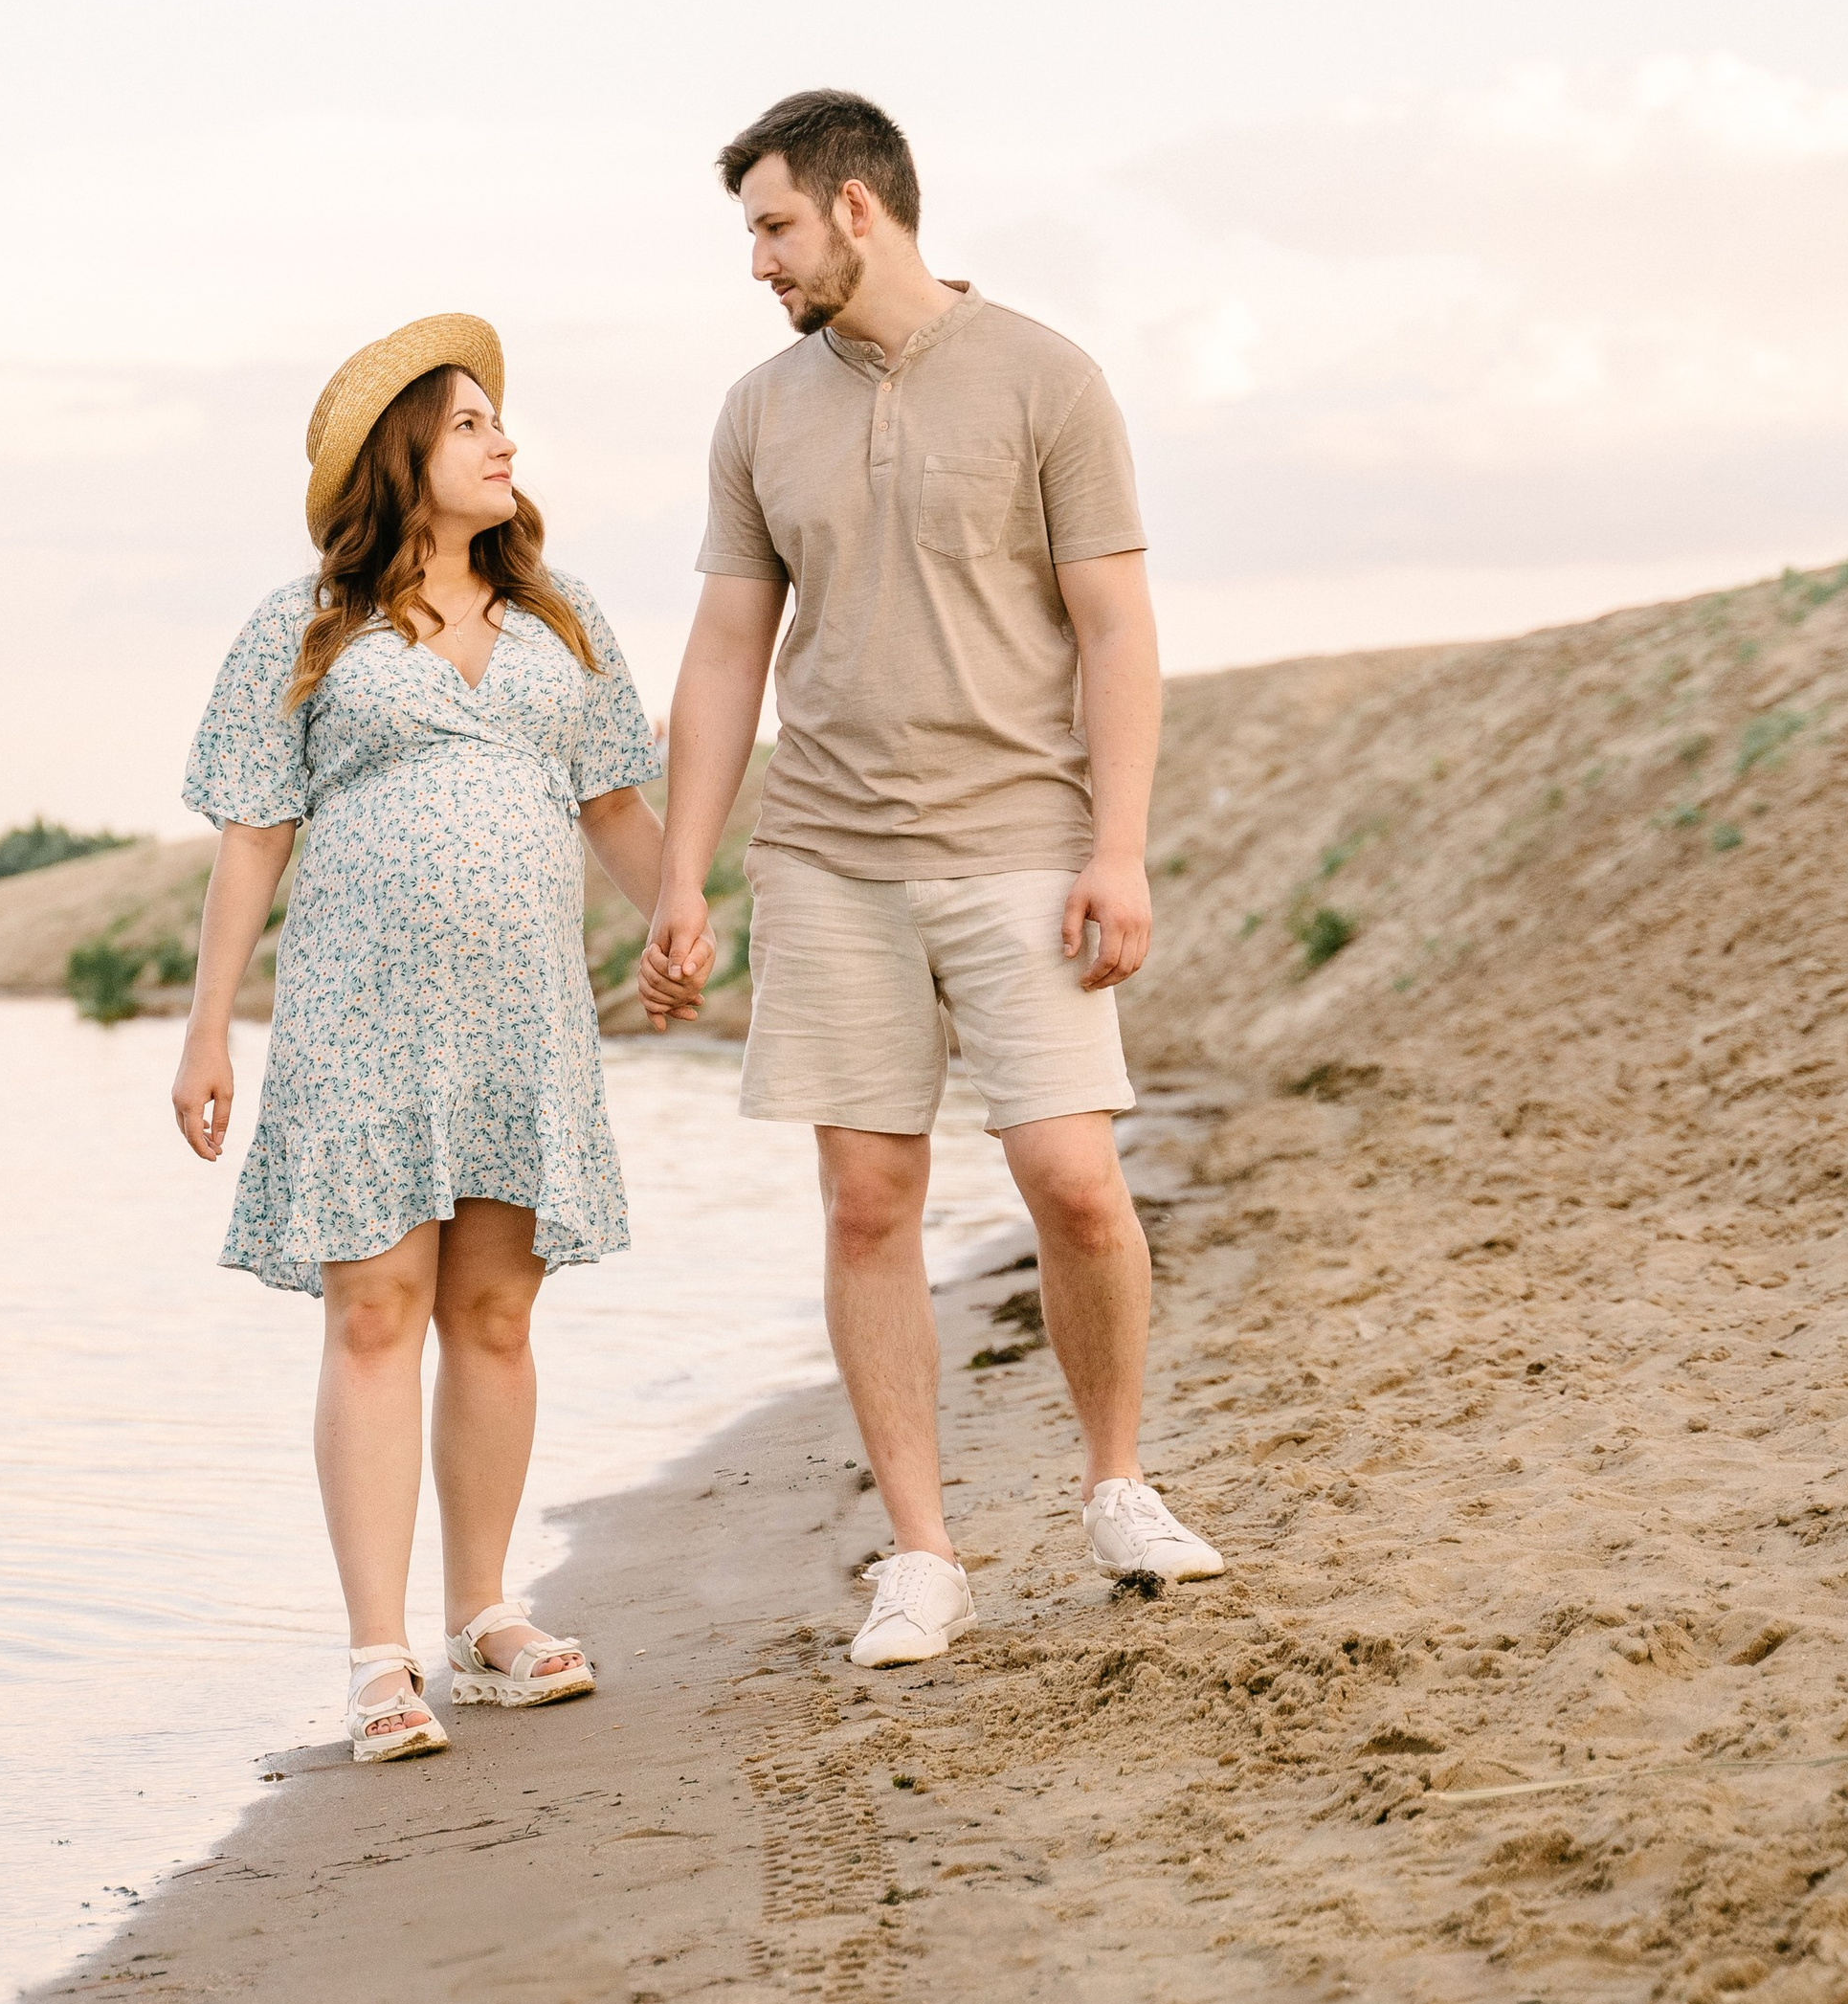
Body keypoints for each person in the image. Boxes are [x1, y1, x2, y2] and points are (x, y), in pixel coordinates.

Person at [637, 90, 1225, 1669]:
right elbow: (722, 653)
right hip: (828, 855)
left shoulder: (1047, 378)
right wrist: (684, 875)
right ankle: (922, 1551)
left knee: (1076, 1183)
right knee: (866, 1200)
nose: (755, 261)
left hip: (1022, 841)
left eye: (769, 226)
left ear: (853, 207)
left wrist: (1119, 842)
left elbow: (1114, 625)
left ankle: (1115, 1485)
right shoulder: (760, 410)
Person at [172, 315, 700, 1766]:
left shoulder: (562, 618)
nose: (502, 441)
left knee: (496, 1314)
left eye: (498, 421)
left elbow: (613, 809)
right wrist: (209, 1026)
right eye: (470, 422)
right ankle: (376, 1655)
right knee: (372, 1312)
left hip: (521, 1016)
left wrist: (681, 919)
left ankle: (483, 1614)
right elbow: (249, 840)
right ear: (402, 454)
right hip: (357, 1017)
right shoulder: (304, 626)